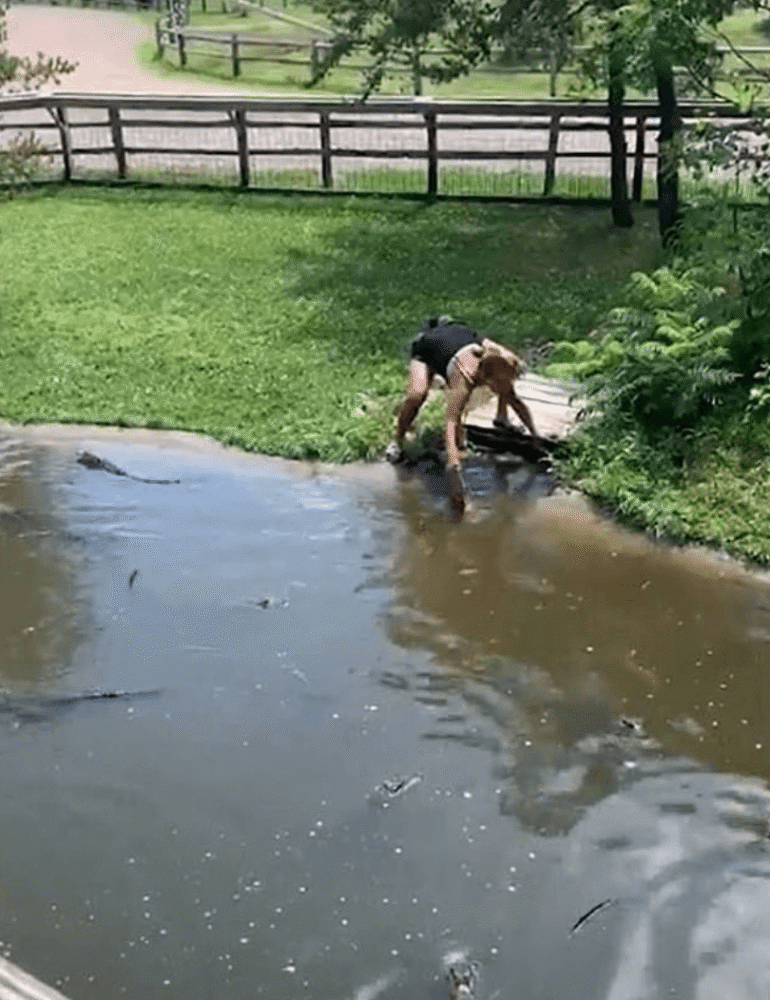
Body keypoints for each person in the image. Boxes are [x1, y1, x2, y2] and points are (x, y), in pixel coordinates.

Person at [388, 317, 538, 517]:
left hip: (463, 336)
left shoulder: (498, 366)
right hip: (427, 348)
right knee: (417, 395)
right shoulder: (465, 378)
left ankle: (500, 420)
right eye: (497, 383)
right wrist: (454, 470)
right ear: (484, 378)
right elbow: (451, 420)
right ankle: (397, 441)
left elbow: (516, 402)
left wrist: (534, 435)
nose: (502, 385)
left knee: (506, 392)